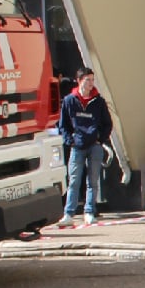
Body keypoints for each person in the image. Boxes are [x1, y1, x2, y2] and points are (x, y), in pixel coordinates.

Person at [57, 69, 113, 228]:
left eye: (92, 80)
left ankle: (89, 211)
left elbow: (107, 123)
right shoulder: (70, 101)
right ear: (79, 81)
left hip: (94, 146)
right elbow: (63, 125)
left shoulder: (98, 101)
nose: (90, 84)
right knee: (74, 180)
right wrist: (70, 140)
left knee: (92, 180)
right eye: (87, 80)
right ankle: (69, 214)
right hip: (77, 146)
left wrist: (100, 138)